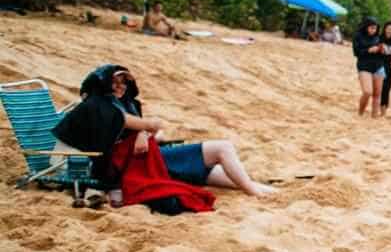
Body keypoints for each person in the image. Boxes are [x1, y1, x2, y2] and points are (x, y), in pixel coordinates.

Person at [53, 65, 274, 198]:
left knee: (205, 169)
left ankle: (258, 188)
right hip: (112, 167)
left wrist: (143, 133)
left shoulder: (109, 105)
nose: (120, 87)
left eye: (123, 83)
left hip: (127, 161)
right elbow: (151, 126)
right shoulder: (100, 106)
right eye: (115, 82)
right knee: (222, 148)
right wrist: (145, 129)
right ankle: (253, 192)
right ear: (103, 84)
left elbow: (150, 132)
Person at [352, 17, 386, 117]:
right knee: (367, 92)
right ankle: (360, 113)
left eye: (375, 28)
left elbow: (386, 53)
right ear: (366, 27)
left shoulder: (379, 37)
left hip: (378, 66)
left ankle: (374, 117)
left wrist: (382, 50)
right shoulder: (358, 36)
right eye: (371, 28)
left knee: (377, 94)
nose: (373, 30)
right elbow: (356, 53)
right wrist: (368, 50)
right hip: (364, 66)